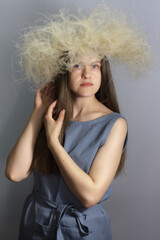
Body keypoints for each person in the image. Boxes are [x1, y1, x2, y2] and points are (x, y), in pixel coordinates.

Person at [5, 3, 152, 240]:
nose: (87, 74)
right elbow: (14, 172)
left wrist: (54, 143)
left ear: (103, 72)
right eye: (77, 65)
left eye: (94, 65)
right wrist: (38, 113)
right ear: (64, 71)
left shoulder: (114, 124)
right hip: (36, 225)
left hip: (82, 231)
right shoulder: (50, 114)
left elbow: (90, 195)